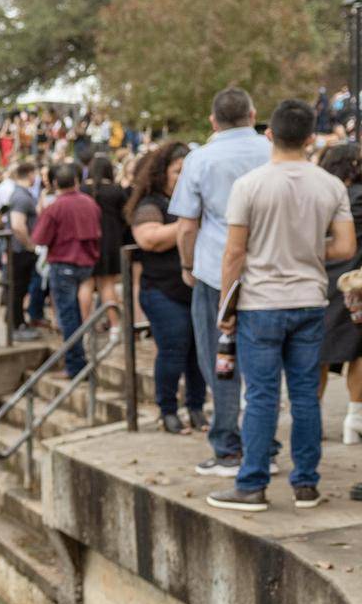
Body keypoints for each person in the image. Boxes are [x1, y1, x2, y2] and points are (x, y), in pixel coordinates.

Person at [207, 100, 356, 511]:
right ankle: (306, 483)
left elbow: (234, 253)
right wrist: (306, 252)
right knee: (307, 394)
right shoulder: (330, 186)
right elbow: (345, 246)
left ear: (269, 134)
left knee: (262, 396)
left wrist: (226, 304)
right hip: (310, 300)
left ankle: (252, 483)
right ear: (311, 138)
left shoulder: (250, 185)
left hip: (260, 303)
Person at [169, 87, 272, 477]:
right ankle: (265, 444)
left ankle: (228, 446)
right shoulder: (271, 152)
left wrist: (187, 264)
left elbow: (186, 225)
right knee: (264, 362)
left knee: (220, 360)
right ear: (252, 113)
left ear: (214, 121)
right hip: (268, 271)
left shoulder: (200, 159)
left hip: (216, 272)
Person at [125, 142, 205, 434]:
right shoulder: (152, 205)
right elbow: (150, 239)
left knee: (199, 352)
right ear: (162, 173)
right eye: (176, 171)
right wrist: (189, 225)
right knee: (174, 348)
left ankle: (196, 408)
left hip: (196, 289)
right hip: (162, 290)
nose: (182, 177)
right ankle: (168, 410)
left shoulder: (198, 202)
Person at [31, 163, 101, 376]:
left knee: (68, 315)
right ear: (77, 182)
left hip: (63, 264)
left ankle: (75, 365)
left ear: (54, 184)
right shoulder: (90, 203)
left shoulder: (55, 207)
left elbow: (40, 238)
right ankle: (78, 361)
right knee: (77, 314)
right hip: (86, 264)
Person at [316, 143, 362, 444]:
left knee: (316, 354)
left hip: (319, 280)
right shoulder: (358, 195)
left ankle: (312, 417)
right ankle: (354, 418)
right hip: (354, 282)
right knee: (359, 351)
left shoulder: (317, 193)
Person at [3, 160, 40, 341]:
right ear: (31, 174)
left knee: (19, 289)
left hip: (20, 251)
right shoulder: (21, 197)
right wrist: (29, 244)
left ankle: (16, 321)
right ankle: (16, 325)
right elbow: (18, 225)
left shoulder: (23, 195)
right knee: (18, 289)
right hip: (20, 252)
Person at [88, 154, 127, 312]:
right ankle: (114, 326)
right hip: (111, 241)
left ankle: (87, 325)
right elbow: (126, 216)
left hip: (89, 241)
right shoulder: (116, 191)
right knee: (108, 283)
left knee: (87, 284)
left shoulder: (84, 190)